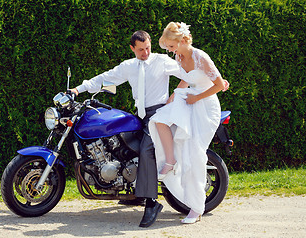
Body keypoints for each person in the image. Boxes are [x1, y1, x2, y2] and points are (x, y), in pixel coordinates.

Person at [69, 30, 184, 228]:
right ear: (132, 48)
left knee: (147, 151)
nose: (145, 53)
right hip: (139, 115)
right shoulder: (129, 66)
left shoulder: (162, 60)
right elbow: (106, 78)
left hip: (158, 114)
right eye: (141, 50)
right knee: (126, 147)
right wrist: (78, 89)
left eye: (147, 48)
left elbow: (188, 73)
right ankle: (135, 193)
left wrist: (175, 94)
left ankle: (151, 202)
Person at [148, 21, 226, 224]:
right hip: (189, 98)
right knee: (159, 120)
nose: (170, 51)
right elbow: (186, 78)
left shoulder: (201, 57)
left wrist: (196, 98)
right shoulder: (179, 55)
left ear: (183, 40)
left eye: (171, 47)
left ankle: (197, 208)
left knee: (194, 154)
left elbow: (218, 85)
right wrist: (174, 95)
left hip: (206, 107)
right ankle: (170, 161)